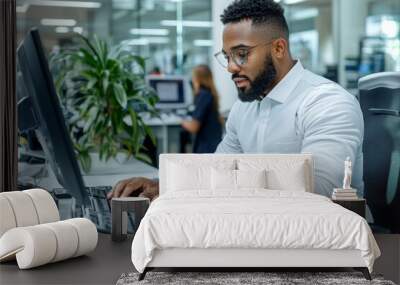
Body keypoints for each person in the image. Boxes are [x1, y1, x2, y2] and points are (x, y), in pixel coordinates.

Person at [108, 0, 364, 202]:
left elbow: (318, 191)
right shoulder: (244, 107)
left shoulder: (327, 103)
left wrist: (223, 182)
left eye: (241, 54)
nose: (231, 67)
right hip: (257, 230)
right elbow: (218, 169)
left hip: (329, 245)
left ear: (278, 48)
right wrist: (165, 185)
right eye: (227, 57)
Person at [181, 64, 223, 153]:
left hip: (206, 149)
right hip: (213, 145)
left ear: (197, 79)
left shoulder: (203, 96)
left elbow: (193, 127)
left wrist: (180, 121)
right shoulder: (210, 94)